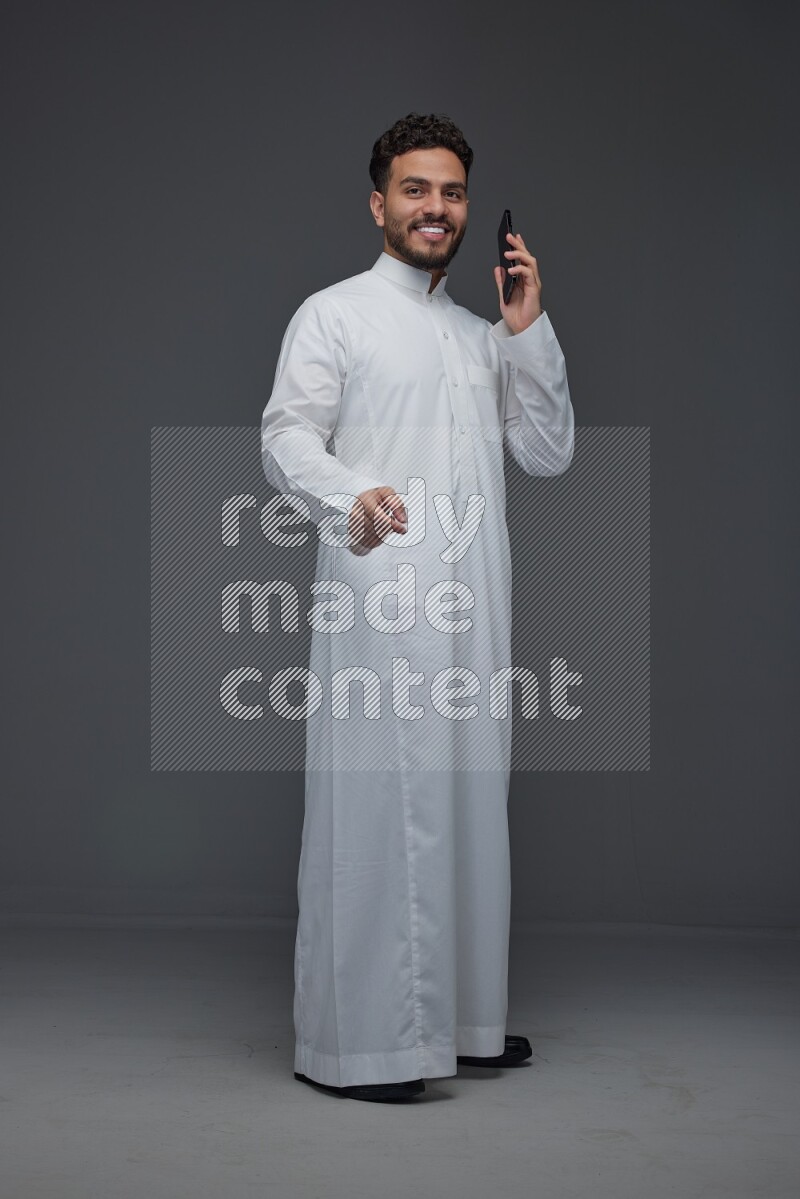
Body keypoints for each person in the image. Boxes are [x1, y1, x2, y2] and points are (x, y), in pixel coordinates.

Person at [260, 113, 574, 1103]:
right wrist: (348, 495)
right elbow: (282, 438)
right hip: (377, 600)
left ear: (466, 208)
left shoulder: (481, 338)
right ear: (377, 201)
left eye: (449, 193)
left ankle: (462, 1021)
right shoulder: (335, 314)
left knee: (468, 807)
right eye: (413, 189)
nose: (433, 209)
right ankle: (363, 1045)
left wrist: (529, 334)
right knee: (378, 811)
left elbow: (546, 450)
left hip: (474, 606)